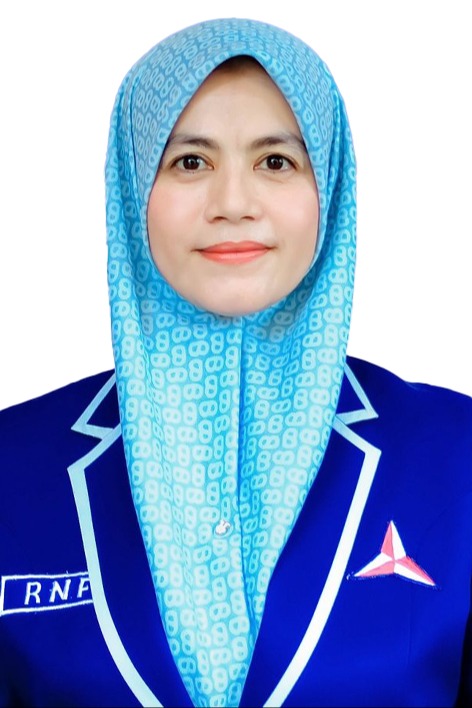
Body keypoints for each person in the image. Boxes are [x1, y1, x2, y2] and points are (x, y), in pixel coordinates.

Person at [0, 16, 470, 708]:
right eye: (190, 162)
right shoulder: (10, 464)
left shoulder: (458, 454)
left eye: (276, 161)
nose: (233, 204)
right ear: (132, 186)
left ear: (330, 182)